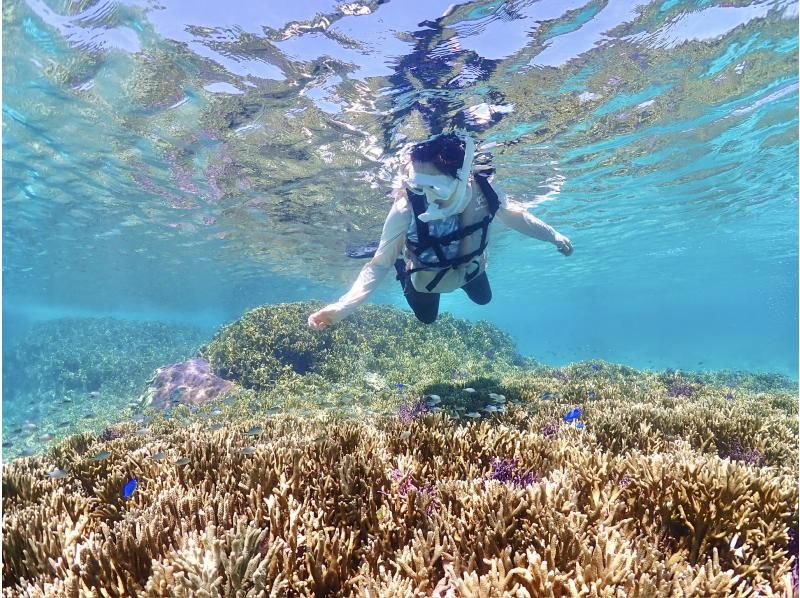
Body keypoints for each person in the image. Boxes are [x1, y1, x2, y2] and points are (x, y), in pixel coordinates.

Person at [307, 131, 572, 330]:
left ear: (461, 176)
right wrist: (342, 308)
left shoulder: (484, 189)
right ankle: (402, 256)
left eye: (433, 187)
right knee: (427, 319)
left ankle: (402, 249)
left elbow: (515, 215)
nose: (424, 195)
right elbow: (377, 266)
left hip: (470, 268)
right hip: (426, 278)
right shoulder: (406, 207)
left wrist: (553, 236)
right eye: (417, 185)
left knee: (484, 299)